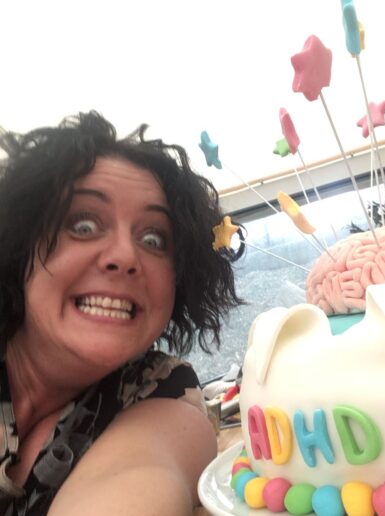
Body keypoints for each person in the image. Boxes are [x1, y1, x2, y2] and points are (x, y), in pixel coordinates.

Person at [0, 111, 243, 515]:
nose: (125, 257)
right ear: (19, 246)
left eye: (153, 238)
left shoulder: (162, 389)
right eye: (83, 226)